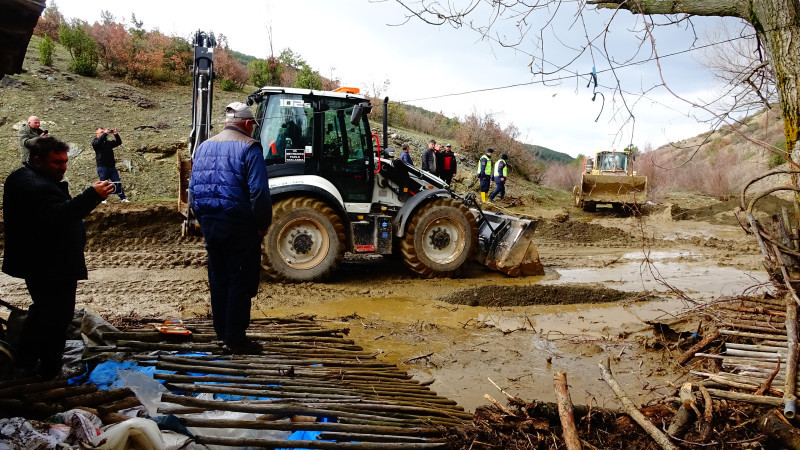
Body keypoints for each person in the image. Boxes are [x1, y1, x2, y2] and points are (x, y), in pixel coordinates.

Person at [3, 136, 113, 378]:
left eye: (64, 161)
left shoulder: (26, 177)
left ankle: (25, 360)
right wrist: (92, 195)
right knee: (56, 317)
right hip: (49, 263)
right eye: (56, 162)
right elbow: (58, 216)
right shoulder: (36, 186)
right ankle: (50, 370)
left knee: (43, 311)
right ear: (37, 160)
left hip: (42, 260)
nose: (62, 167)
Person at [189, 102, 272, 354]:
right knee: (240, 279)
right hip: (239, 225)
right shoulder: (250, 147)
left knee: (219, 278)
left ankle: (222, 332)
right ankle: (235, 339)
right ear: (247, 124)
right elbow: (259, 191)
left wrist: (202, 219)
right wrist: (262, 225)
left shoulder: (203, 147)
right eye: (252, 125)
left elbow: (193, 189)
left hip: (210, 224)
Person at [92, 127, 129, 203]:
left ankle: (123, 198)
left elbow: (118, 142)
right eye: (101, 132)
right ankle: (103, 199)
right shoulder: (95, 142)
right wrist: (105, 133)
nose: (103, 133)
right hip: (102, 166)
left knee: (117, 182)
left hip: (111, 167)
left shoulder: (107, 142)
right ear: (96, 134)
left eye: (103, 132)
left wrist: (116, 134)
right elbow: (98, 142)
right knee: (103, 183)